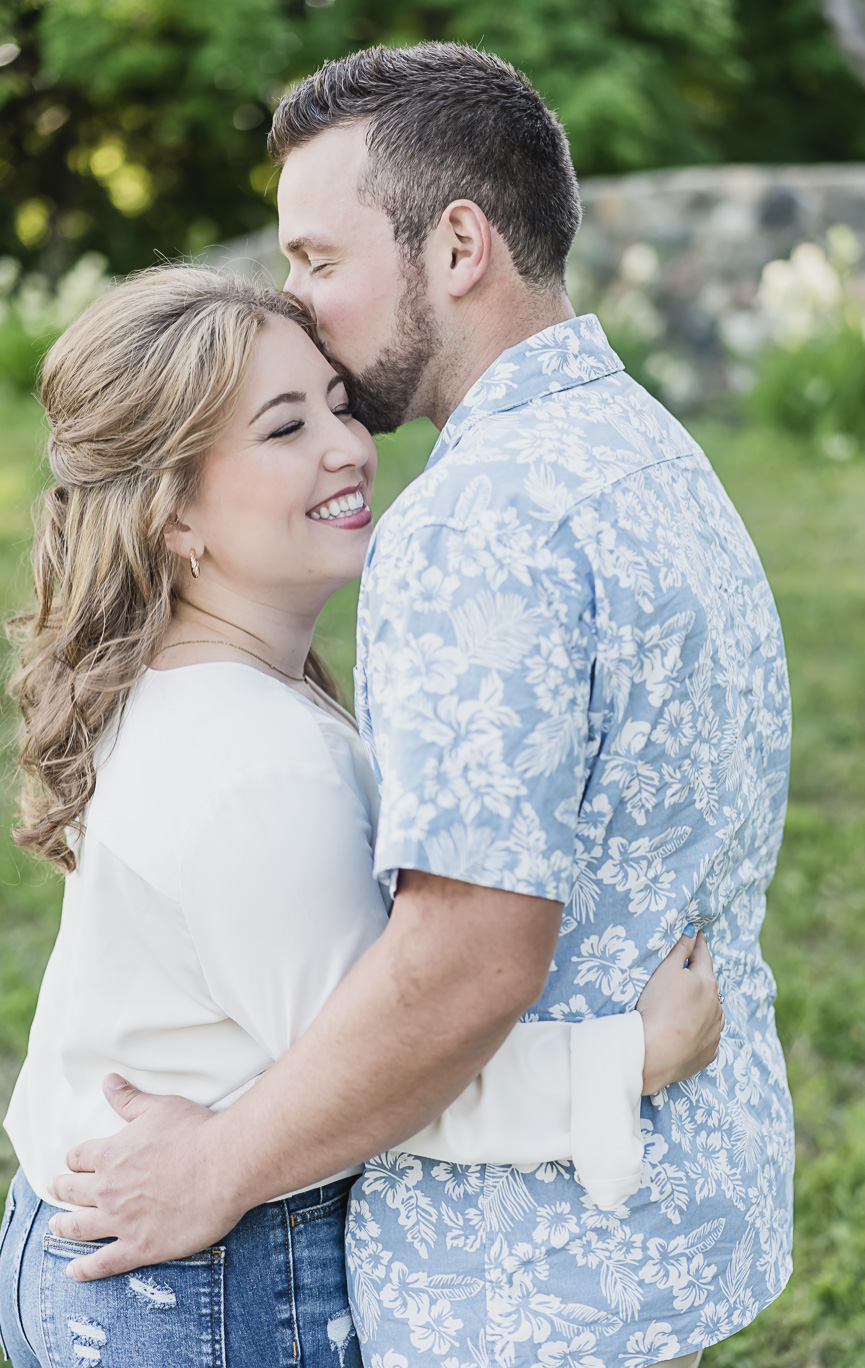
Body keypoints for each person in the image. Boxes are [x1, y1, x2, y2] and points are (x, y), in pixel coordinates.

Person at [41, 41, 795, 1368]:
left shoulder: (472, 528)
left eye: (319, 263)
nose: (301, 302)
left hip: (517, 1282)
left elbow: (458, 969)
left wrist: (215, 1165)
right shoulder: (641, 448)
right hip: (634, 1236)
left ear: (456, 246)